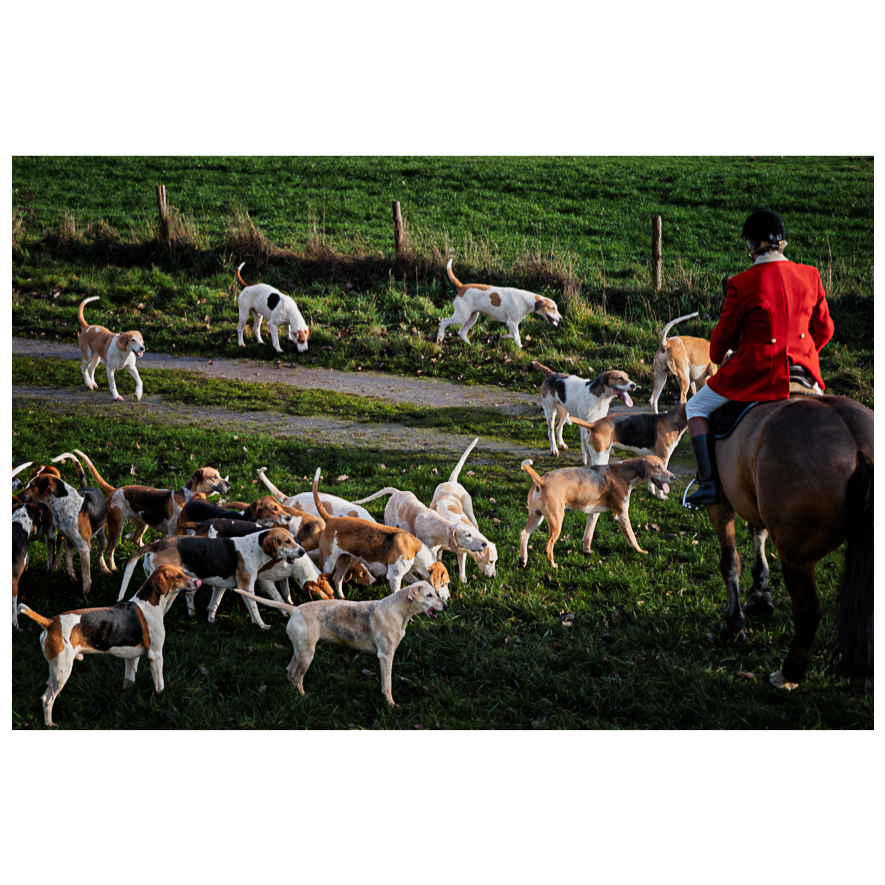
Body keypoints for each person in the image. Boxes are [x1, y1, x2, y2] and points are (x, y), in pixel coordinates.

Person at [682, 209, 835, 508]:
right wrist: (804, 354)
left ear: (752, 245)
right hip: (804, 374)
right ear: (781, 243)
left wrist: (722, 355)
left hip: (757, 375)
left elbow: (718, 347)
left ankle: (709, 485)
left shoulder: (742, 283)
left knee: (695, 406)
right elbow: (825, 329)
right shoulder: (811, 274)